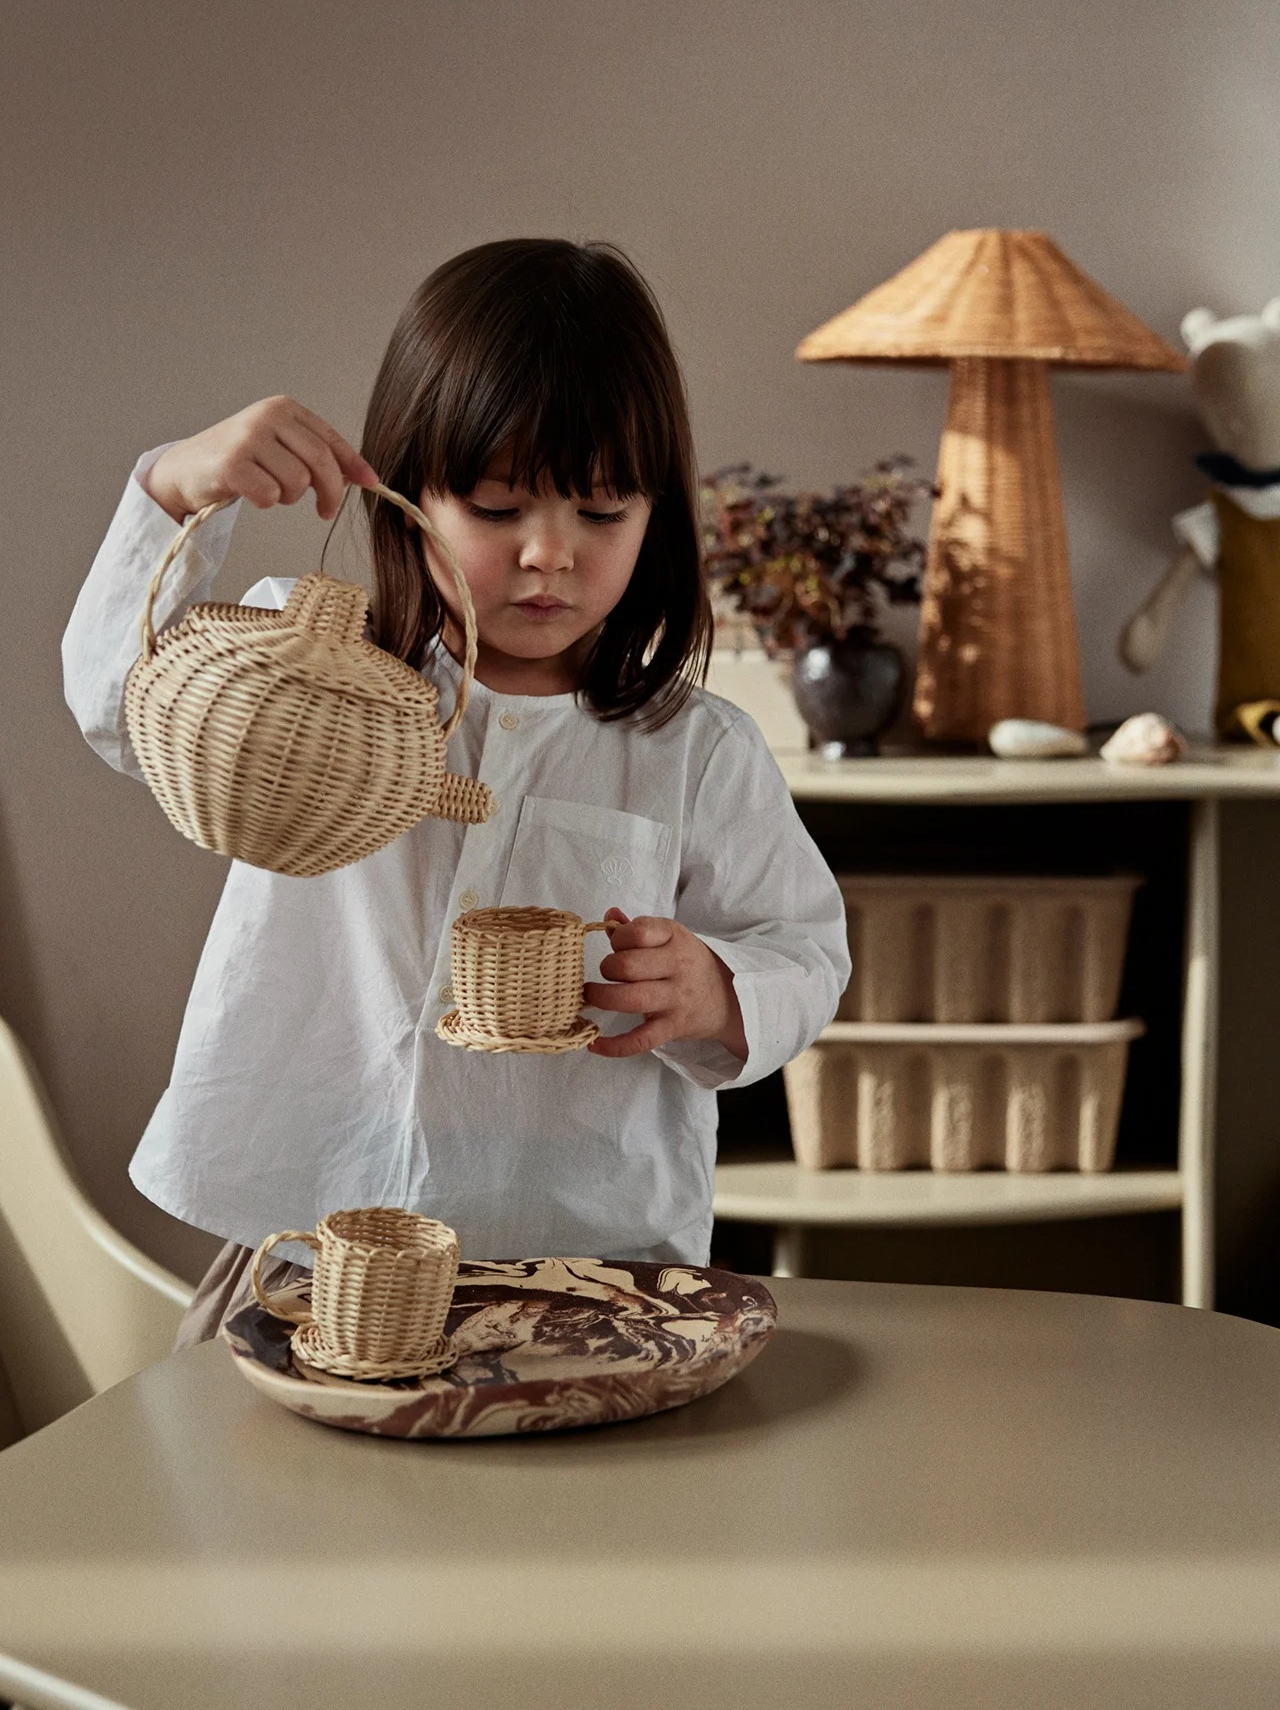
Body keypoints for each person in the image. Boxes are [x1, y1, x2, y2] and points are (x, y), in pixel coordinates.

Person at [63, 238, 849, 1342]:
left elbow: (806, 948)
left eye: (601, 511)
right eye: (493, 507)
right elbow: (118, 704)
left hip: (578, 1268)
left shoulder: (692, 749)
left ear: (654, 515)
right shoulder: (307, 670)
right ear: (405, 497)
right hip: (306, 1238)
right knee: (279, 1504)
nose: (548, 555)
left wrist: (716, 991)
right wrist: (172, 489)